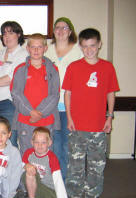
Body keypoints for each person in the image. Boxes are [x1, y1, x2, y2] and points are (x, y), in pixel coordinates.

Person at [62, 28, 119, 198]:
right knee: (75, 163)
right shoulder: (73, 67)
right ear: (80, 46)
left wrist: (109, 117)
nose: (89, 50)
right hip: (77, 125)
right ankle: (75, 193)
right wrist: (69, 118)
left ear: (99, 45)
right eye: (85, 46)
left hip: (98, 126)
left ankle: (92, 194)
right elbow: (67, 94)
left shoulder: (107, 67)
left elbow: (111, 93)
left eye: (92, 46)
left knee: (96, 163)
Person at [10, 33, 60, 198]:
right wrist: (30, 112)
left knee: (45, 156)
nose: (37, 50)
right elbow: (15, 93)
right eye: (33, 46)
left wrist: (40, 112)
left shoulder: (53, 69)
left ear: (45, 48)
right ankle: (24, 189)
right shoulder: (20, 70)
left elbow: (54, 95)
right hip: (26, 120)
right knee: (27, 154)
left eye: (40, 46)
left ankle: (44, 188)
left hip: (46, 121)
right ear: (28, 48)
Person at [45, 17, 83, 181]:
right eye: (57, 27)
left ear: (70, 31)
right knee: (52, 147)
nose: (60, 30)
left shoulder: (78, 50)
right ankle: (54, 182)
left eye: (64, 27)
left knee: (67, 148)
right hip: (50, 107)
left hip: (70, 108)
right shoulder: (47, 50)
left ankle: (65, 183)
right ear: (53, 31)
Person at [0, 21, 28, 147]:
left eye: (11, 33)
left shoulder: (24, 55)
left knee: (10, 142)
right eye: (4, 34)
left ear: (19, 35)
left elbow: (11, 79)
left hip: (9, 104)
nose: (7, 36)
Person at [21, 127, 69, 198]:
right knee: (29, 172)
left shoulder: (52, 158)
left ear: (49, 143)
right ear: (32, 142)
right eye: (36, 142)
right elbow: (20, 166)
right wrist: (26, 165)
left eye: (43, 142)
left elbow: (58, 180)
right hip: (34, 186)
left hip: (48, 189)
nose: (40, 145)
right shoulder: (28, 153)